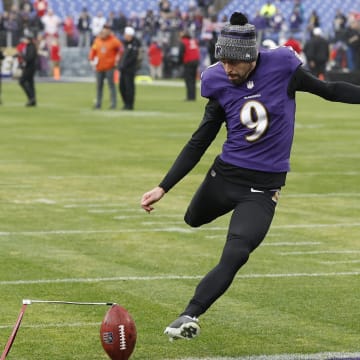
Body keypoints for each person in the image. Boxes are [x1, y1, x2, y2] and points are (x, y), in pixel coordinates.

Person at [140, 12, 360, 341]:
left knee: (237, 253)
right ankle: (200, 215)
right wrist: (163, 187)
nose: (228, 69)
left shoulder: (284, 66)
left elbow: (328, 90)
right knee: (192, 219)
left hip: (263, 187)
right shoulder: (217, 81)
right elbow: (200, 140)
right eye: (223, 61)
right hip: (224, 176)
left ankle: (189, 314)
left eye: (234, 62)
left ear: (252, 57)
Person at [88, 24, 123, 110]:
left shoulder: (114, 41)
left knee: (111, 86)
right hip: (99, 67)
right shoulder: (97, 40)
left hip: (109, 66)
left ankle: (113, 104)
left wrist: (117, 58)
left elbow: (121, 49)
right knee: (99, 86)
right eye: (103, 31)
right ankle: (98, 103)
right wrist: (91, 60)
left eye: (106, 30)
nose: (104, 33)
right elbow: (93, 51)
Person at [118, 26, 141, 110]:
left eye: (125, 34)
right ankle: (125, 103)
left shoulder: (134, 44)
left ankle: (129, 104)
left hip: (129, 70)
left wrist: (125, 65)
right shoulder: (125, 44)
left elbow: (133, 57)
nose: (124, 36)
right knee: (122, 87)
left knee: (129, 87)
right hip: (123, 69)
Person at [179, 30, 200, 101]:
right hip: (196, 61)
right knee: (193, 80)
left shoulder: (183, 42)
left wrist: (180, 62)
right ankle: (193, 96)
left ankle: (190, 97)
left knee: (189, 80)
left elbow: (181, 53)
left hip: (189, 62)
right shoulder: (193, 41)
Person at [18, 31, 37, 106]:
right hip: (30, 67)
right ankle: (33, 100)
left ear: (29, 39)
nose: (24, 40)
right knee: (30, 83)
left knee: (22, 81)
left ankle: (31, 98)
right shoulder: (30, 46)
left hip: (30, 67)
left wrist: (21, 55)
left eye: (25, 39)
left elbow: (29, 58)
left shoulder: (31, 47)